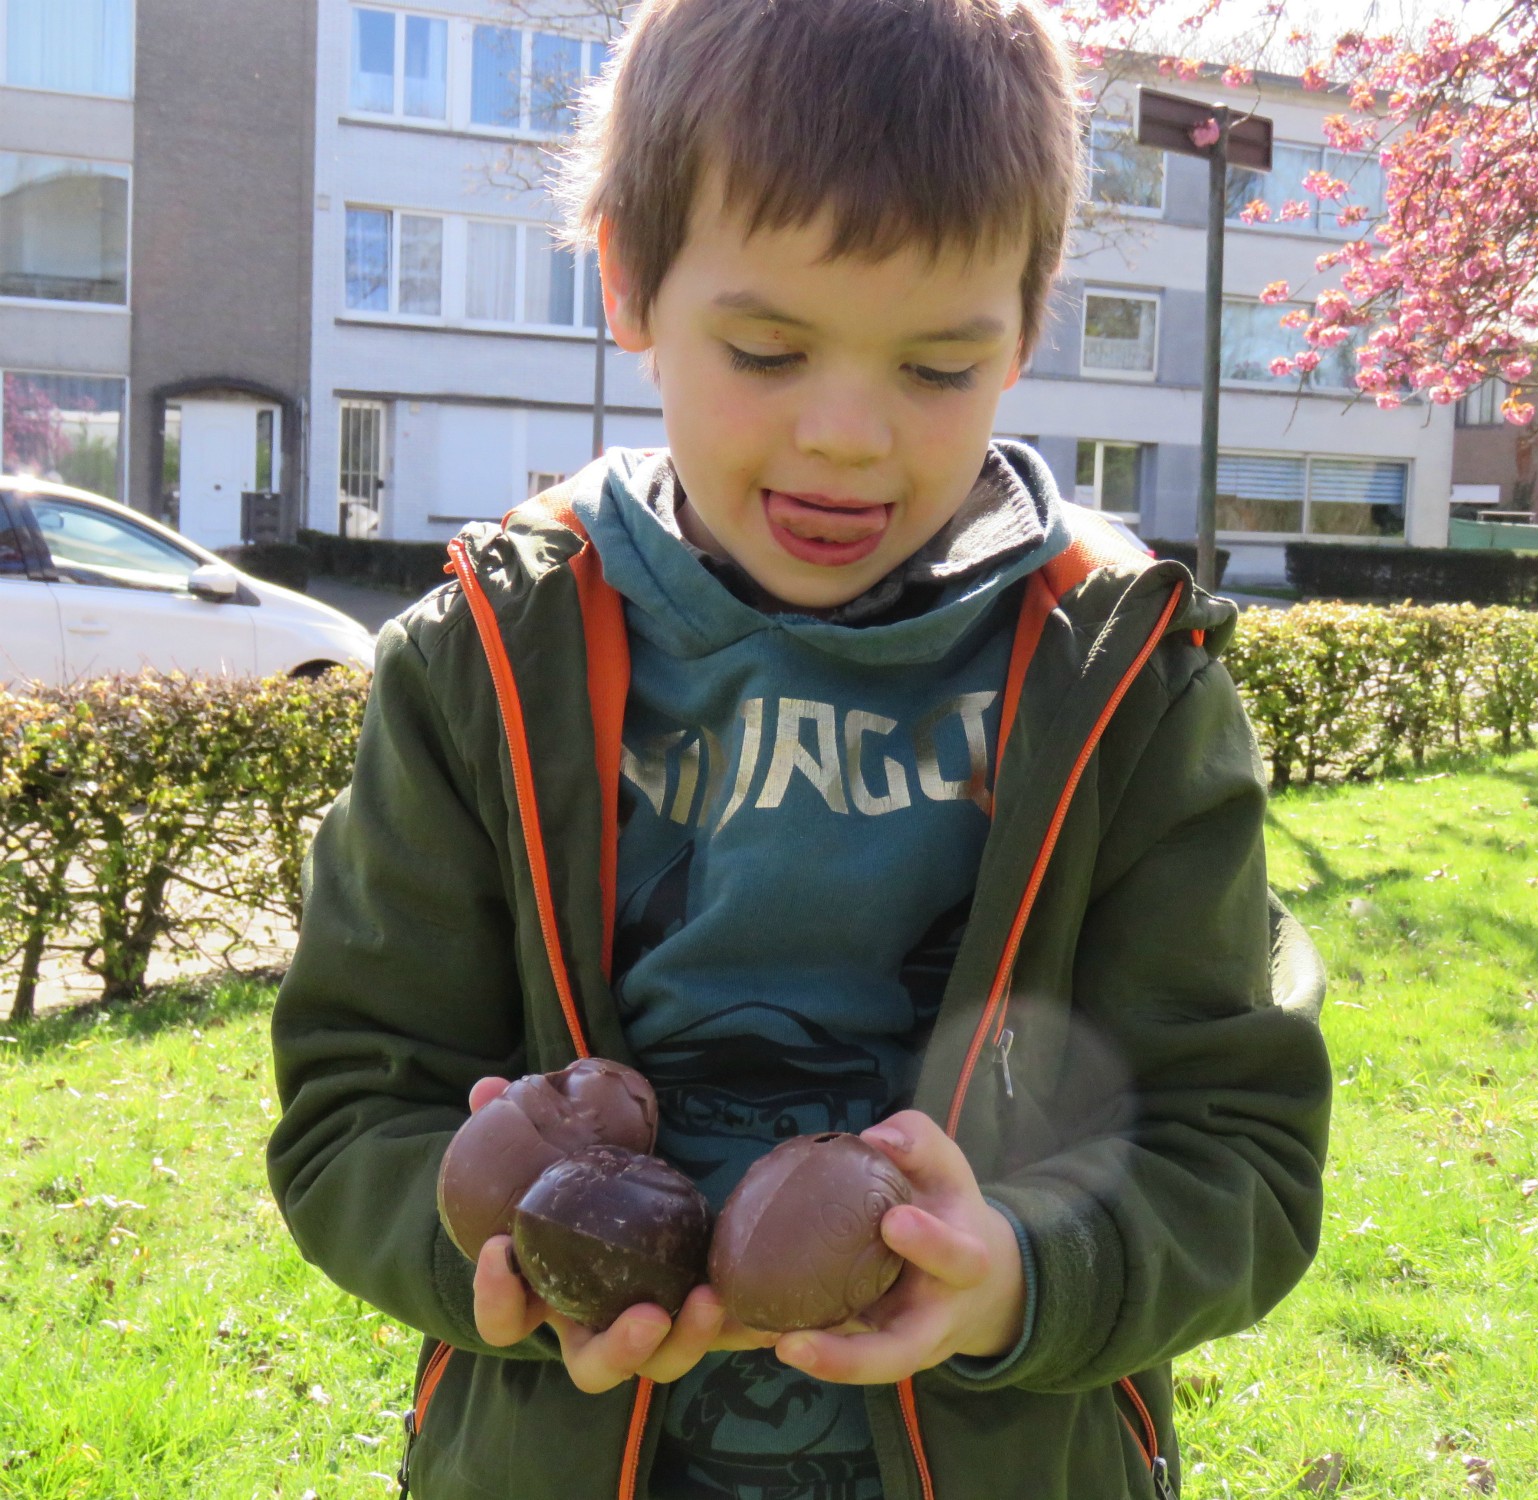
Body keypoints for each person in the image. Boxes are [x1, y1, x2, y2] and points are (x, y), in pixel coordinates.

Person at [265, 0, 1334, 1496]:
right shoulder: (488, 658)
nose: (847, 434)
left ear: (1025, 332)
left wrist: (1019, 1275)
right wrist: (484, 1255)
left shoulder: (1124, 675)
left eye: (938, 368)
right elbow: (352, 1105)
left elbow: (1238, 1153)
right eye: (768, 349)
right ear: (629, 281)